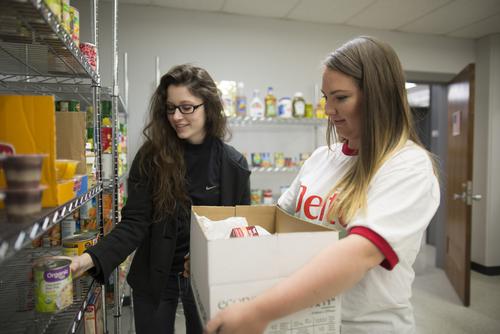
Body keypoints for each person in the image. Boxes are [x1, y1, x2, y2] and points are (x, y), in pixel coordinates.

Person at [205, 36, 440, 334]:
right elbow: (275, 222)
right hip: (308, 318)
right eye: (325, 97)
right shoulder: (321, 159)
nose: (328, 110)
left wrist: (259, 311)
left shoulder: (408, 166)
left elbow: (359, 253)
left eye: (340, 98)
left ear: (379, 97)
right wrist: (215, 252)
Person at [70, 64, 251, 333]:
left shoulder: (233, 164)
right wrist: (87, 260)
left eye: (186, 107)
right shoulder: (151, 158)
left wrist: (210, 255)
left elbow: (238, 229)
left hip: (208, 277)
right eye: (170, 108)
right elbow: (134, 223)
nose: (176, 116)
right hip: (154, 275)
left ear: (209, 107)